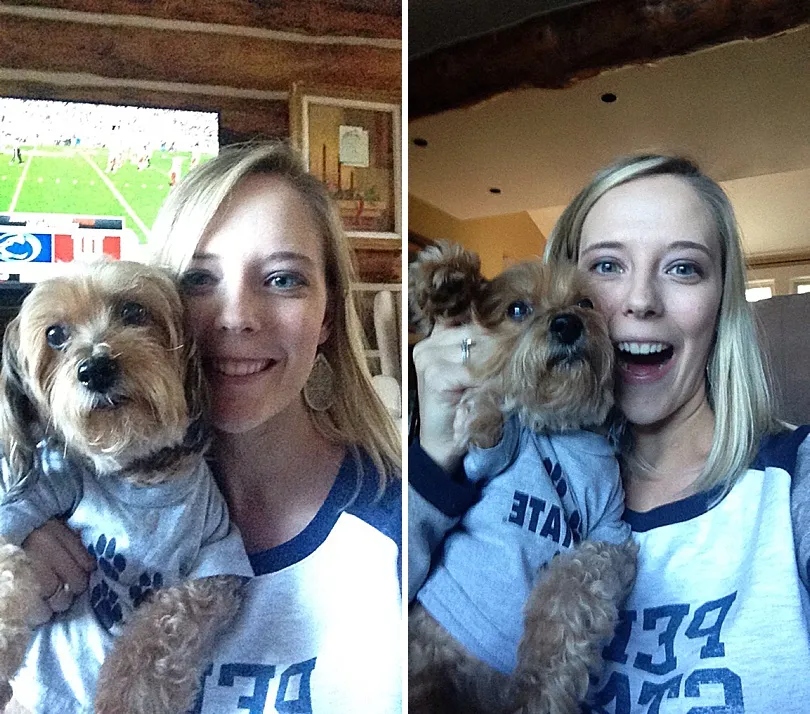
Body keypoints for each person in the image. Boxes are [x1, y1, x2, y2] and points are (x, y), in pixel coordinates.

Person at [409, 154, 810, 712]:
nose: (642, 301)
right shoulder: (491, 452)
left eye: (683, 268)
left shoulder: (794, 483)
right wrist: (435, 454)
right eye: (608, 267)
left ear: (722, 303)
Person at [12, 142, 402, 714]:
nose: (236, 315)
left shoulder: (393, 526)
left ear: (326, 316)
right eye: (198, 279)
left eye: (282, 279)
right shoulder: (63, 485)